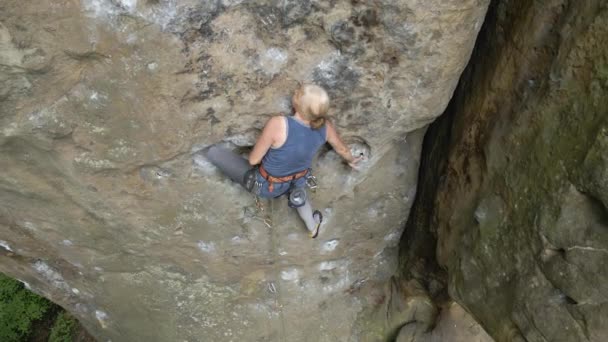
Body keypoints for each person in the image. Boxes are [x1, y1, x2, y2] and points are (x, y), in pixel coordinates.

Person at [206, 84, 361, 238]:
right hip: (297, 181)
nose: (295, 91)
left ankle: (205, 152)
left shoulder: (278, 124)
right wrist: (351, 160)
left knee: (214, 153)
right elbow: (342, 150)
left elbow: (253, 160)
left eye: (298, 93)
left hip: (266, 186)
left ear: (298, 104)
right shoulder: (325, 126)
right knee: (299, 196)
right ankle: (312, 227)